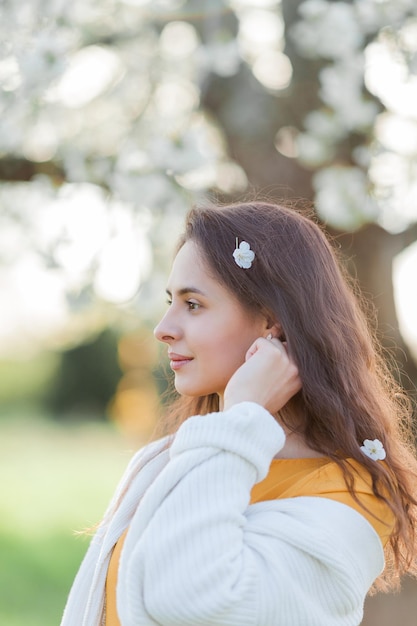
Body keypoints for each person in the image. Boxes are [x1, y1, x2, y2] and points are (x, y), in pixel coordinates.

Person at [61, 201, 417, 626]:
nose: (163, 328)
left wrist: (244, 414)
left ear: (271, 322)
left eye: (193, 304)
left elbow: (188, 595)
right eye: (171, 300)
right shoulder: (166, 460)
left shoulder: (349, 500)